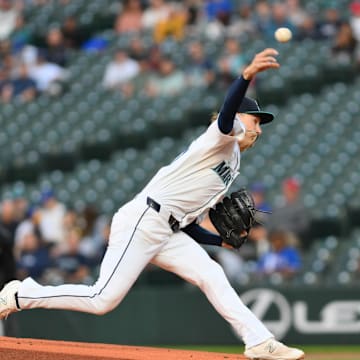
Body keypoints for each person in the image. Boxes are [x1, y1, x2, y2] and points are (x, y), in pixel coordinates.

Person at [0, 48, 304, 360]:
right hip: (144, 220)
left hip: (168, 229)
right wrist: (246, 76)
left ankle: (258, 341)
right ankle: (21, 294)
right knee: (102, 299)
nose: (259, 127)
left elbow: (189, 222)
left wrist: (218, 242)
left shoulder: (233, 161)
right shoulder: (220, 137)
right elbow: (226, 116)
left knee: (211, 274)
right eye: (256, 120)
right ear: (242, 118)